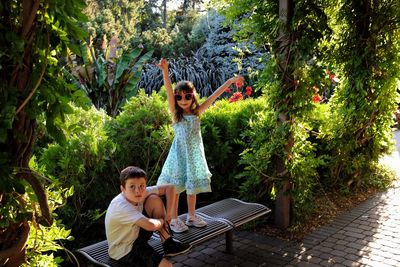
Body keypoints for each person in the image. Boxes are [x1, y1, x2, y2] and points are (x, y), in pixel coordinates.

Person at [156, 58, 244, 233]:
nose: (183, 100)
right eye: (179, 97)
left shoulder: (197, 112)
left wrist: (230, 81)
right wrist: (165, 71)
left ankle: (191, 216)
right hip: (179, 155)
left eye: (188, 96)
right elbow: (167, 90)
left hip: (194, 156)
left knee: (192, 186)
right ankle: (173, 219)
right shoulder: (176, 114)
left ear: (193, 97)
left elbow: (215, 95)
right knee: (175, 187)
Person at [105, 166, 192, 267]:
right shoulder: (121, 206)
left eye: (142, 186)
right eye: (132, 186)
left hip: (136, 235)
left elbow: (170, 188)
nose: (138, 191)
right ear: (123, 189)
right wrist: (162, 220)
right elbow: (150, 225)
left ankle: (168, 243)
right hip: (125, 250)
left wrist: (169, 214)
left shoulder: (142, 192)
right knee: (167, 266)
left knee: (154, 199)